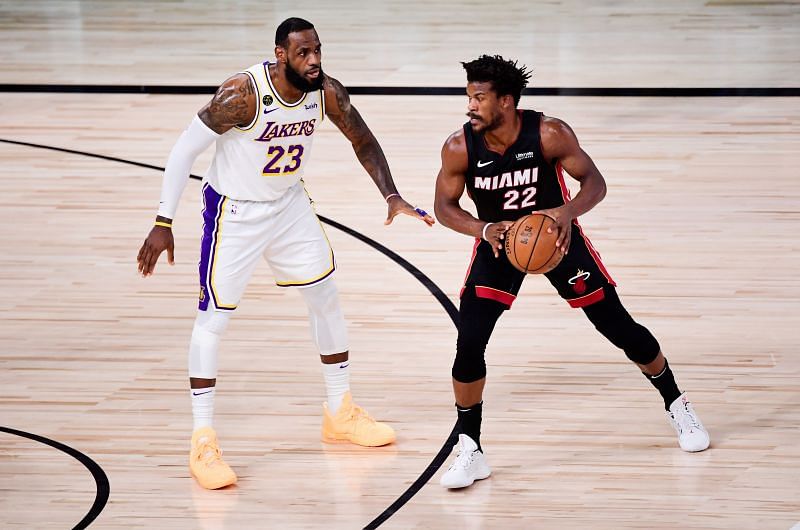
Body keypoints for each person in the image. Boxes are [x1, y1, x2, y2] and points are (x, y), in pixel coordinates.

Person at [136, 17, 434, 490]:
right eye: (302, 53)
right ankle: (202, 440)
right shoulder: (242, 94)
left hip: (289, 204)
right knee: (213, 320)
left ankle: (339, 411)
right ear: (280, 53)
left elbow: (364, 139)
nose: (314, 60)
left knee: (326, 296)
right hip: (234, 211)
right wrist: (162, 221)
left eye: (318, 50)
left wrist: (391, 195)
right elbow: (182, 152)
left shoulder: (326, 91)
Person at [434, 55, 709, 490]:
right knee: (469, 340)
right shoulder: (459, 146)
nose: (470, 105)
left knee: (618, 326)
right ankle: (471, 447)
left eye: (479, 97)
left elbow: (594, 183)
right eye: (469, 96)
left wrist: (564, 213)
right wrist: (483, 229)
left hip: (557, 242)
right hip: (500, 245)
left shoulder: (548, 133)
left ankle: (677, 403)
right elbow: (444, 207)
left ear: (506, 101)